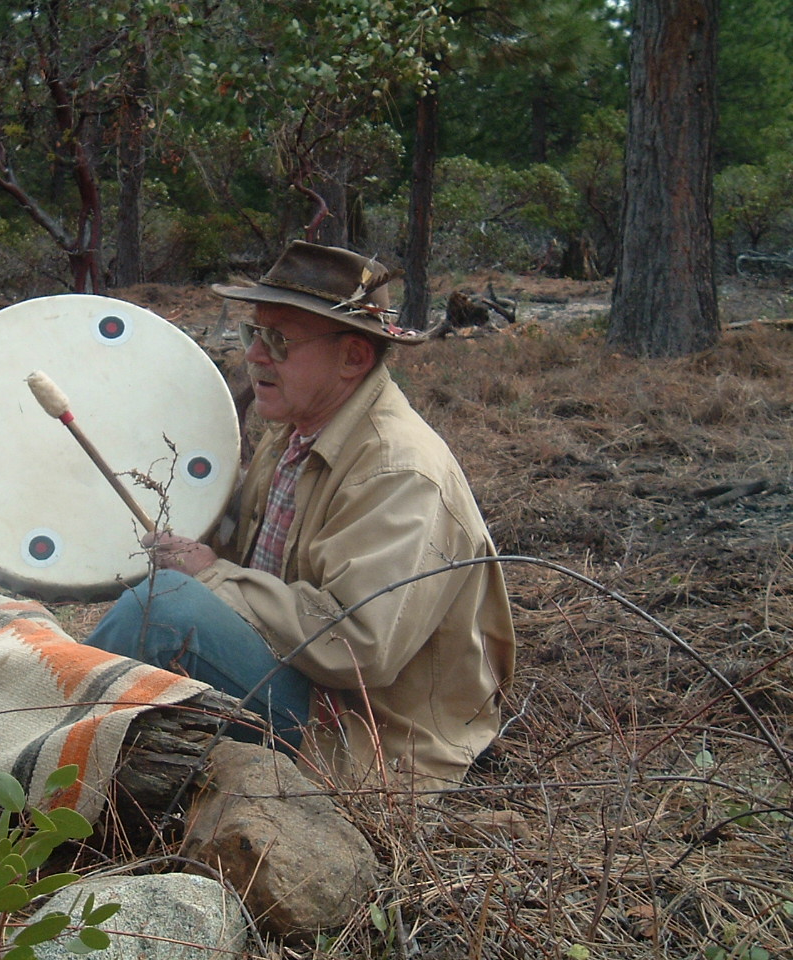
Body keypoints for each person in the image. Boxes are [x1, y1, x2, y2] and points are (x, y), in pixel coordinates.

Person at [86, 240, 515, 792]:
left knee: (162, 609)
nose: (255, 356)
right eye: (253, 334)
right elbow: (249, 564)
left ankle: (39, 768)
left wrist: (211, 577)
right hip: (300, 682)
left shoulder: (398, 472)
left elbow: (358, 646)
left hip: (367, 737)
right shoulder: (293, 434)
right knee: (157, 603)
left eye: (279, 341)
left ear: (354, 358)